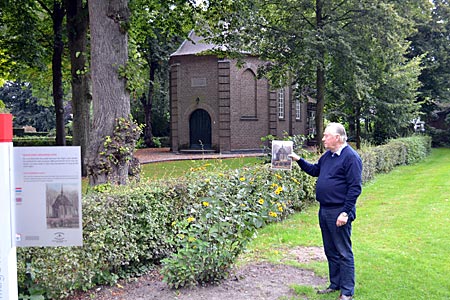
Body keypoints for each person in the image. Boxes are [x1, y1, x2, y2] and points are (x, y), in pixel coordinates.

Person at [289, 122, 362, 300]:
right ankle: (335, 284)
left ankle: (346, 292)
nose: (323, 139)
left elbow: (355, 188)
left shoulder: (351, 157)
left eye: (326, 136)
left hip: (339, 211)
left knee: (343, 252)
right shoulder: (328, 155)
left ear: (337, 137)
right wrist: (298, 159)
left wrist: (345, 213)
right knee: (330, 250)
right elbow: (315, 170)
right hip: (325, 210)